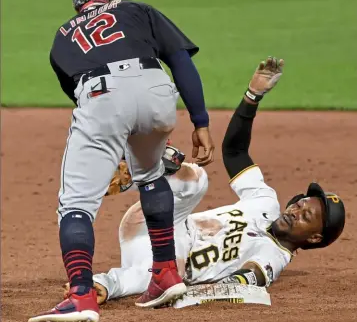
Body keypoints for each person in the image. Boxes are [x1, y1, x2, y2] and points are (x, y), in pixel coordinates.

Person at [64, 56, 346, 305]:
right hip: (157, 221)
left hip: (162, 260)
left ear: (314, 237)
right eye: (300, 205)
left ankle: (97, 284)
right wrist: (252, 96)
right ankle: (145, 164)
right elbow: (234, 151)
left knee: (159, 278)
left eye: (306, 215)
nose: (295, 211)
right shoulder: (265, 201)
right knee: (196, 178)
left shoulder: (275, 255)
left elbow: (250, 277)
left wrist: (232, 284)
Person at [29, 0, 214, 322]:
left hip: (101, 95)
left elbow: (85, 99)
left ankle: (81, 294)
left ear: (78, 5)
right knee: (151, 174)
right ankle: (165, 273)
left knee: (76, 203)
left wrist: (112, 145)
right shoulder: (138, 10)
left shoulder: (63, 35)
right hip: (157, 89)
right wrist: (201, 122)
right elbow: (180, 62)